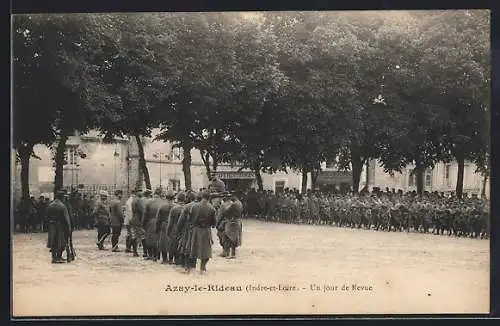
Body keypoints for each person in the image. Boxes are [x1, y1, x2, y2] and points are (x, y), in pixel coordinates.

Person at [189, 191, 216, 274]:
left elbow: (190, 219)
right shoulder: (212, 208)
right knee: (206, 250)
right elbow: (214, 223)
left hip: (196, 229)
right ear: (209, 198)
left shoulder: (194, 206)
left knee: (194, 248)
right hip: (206, 230)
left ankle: (192, 267)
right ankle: (202, 267)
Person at [45, 190, 72, 263]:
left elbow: (46, 216)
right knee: (61, 242)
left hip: (51, 225)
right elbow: (66, 219)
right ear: (62, 197)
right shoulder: (62, 206)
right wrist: (69, 228)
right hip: (60, 226)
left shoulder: (50, 205)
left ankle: (54, 257)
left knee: (53, 242)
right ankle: (59, 257)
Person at [218, 192, 243, 259]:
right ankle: (231, 253)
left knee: (227, 238)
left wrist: (217, 223)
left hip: (231, 222)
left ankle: (228, 253)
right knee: (233, 238)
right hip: (237, 221)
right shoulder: (239, 203)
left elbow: (223, 213)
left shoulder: (233, 204)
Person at [143, 188, 163, 261]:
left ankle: (150, 254)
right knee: (157, 239)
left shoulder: (149, 202)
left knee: (149, 238)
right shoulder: (163, 202)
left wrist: (143, 224)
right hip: (160, 222)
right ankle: (157, 255)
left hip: (150, 221)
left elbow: (145, 214)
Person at [167, 192, 186, 265]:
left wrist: (168, 231)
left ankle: (172, 259)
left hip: (174, 228)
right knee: (181, 244)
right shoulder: (186, 207)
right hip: (184, 229)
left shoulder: (174, 208)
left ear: (178, 199)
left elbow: (170, 222)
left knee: (173, 244)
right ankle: (180, 259)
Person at [157, 190, 175, 264]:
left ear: (166, 198)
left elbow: (158, 219)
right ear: (173, 198)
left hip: (164, 225)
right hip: (173, 225)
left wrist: (157, 228)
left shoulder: (162, 207)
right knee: (172, 241)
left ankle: (164, 259)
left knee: (163, 242)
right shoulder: (175, 206)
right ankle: (171, 259)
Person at [130, 189, 146, 257]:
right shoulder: (139, 200)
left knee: (134, 235)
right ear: (138, 193)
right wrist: (143, 220)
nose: (142, 193)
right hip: (138, 220)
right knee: (142, 235)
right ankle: (145, 252)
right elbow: (142, 211)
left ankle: (135, 252)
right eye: (140, 191)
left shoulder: (133, 200)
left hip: (133, 219)